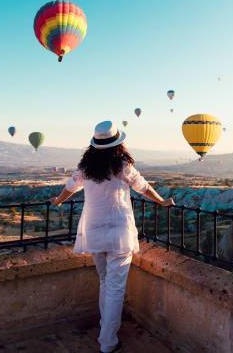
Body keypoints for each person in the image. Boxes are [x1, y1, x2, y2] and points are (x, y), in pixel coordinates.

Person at [50, 121, 174, 353]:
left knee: (106, 282)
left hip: (94, 232)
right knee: (115, 288)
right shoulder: (122, 165)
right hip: (119, 232)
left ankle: (104, 328)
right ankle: (108, 342)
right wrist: (162, 201)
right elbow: (143, 187)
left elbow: (70, 187)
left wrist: (58, 200)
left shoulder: (85, 168)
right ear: (118, 143)